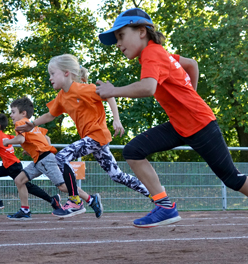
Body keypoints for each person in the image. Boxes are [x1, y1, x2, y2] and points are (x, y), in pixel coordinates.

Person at [96, 7, 248, 253]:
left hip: (201, 124)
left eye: (120, 36)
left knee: (232, 178)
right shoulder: (162, 54)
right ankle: (164, 205)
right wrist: (190, 94)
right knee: (133, 150)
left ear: (142, 31)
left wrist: (113, 90)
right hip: (181, 124)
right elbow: (192, 64)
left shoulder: (152, 54)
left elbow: (148, 87)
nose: (118, 44)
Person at [15, 54, 152, 218]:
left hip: (96, 136)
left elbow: (109, 95)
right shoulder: (61, 97)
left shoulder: (84, 89)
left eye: (52, 73)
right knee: (117, 175)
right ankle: (153, 193)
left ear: (66, 73)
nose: (50, 78)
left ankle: (75, 201)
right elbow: (50, 115)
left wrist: (117, 120)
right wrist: (34, 123)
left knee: (61, 157)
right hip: (92, 141)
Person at [3, 97, 97, 220]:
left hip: (45, 159)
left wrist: (7, 142)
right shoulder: (32, 126)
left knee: (63, 187)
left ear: (23, 113)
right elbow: (46, 139)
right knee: (19, 180)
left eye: (13, 112)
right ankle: (24, 210)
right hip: (40, 159)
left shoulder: (20, 123)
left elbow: (20, 139)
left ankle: (90, 199)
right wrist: (31, 148)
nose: (11, 115)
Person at [0, 113, 61, 211]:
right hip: (9, 166)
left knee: (27, 186)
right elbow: (22, 139)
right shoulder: (7, 135)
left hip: (12, 166)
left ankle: (52, 200)